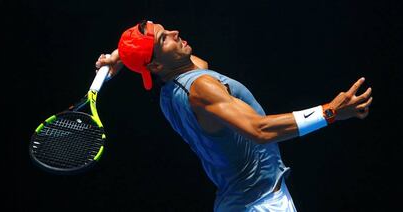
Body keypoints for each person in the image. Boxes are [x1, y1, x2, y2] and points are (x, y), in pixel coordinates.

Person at [95, 20, 373, 212]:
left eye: (166, 30)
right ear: (155, 64)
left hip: (240, 200)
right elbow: (260, 130)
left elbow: (188, 62)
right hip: (260, 204)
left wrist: (120, 56)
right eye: (163, 38)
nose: (175, 32)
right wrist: (330, 112)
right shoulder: (202, 89)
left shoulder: (170, 88)